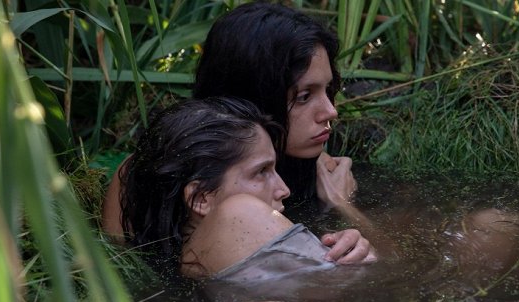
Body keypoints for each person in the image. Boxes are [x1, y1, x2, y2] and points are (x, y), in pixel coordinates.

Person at [101, 2, 381, 253]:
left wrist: (343, 206)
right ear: (253, 96)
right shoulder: (141, 178)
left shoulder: (325, 173)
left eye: (328, 89)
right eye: (304, 96)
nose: (331, 111)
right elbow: (123, 275)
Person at [119, 96, 377, 279]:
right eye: (261, 171)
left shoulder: (170, 259)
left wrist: (350, 249)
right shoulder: (238, 213)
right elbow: (361, 289)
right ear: (201, 198)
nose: (284, 189)